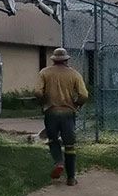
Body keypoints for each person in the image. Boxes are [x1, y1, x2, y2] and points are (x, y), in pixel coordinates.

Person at [34, 48, 89, 186]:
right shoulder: (74, 74)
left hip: (51, 112)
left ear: (53, 60)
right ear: (66, 60)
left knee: (53, 140)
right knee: (70, 145)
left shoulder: (44, 73)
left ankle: (58, 162)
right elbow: (84, 95)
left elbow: (37, 92)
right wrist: (77, 104)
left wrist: (43, 102)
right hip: (68, 113)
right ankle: (71, 178)